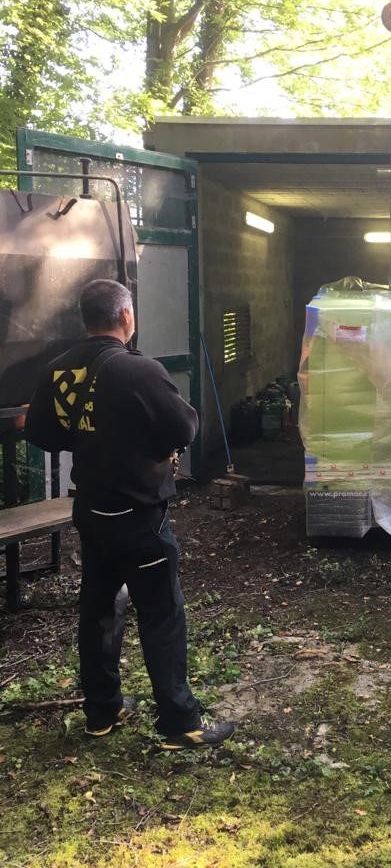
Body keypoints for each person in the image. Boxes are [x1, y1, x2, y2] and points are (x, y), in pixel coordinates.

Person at [25, 279, 235, 749]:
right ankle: (181, 723)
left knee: (100, 608)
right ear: (125, 316)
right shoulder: (139, 372)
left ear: (86, 318)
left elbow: (42, 432)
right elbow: (184, 426)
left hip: (91, 511)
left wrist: (91, 437)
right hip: (138, 515)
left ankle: (102, 711)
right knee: (161, 612)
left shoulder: (58, 371)